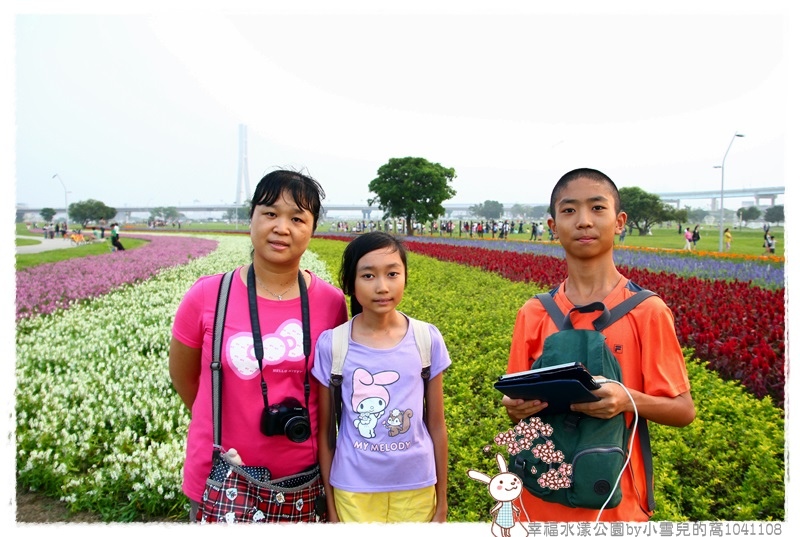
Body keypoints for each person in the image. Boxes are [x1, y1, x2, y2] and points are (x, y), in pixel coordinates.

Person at [502, 168, 695, 522]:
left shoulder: (647, 311)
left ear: (619, 221)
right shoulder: (533, 313)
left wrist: (626, 399)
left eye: (597, 208)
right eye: (569, 210)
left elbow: (683, 410)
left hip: (617, 509)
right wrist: (515, 407)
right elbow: (515, 407)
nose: (584, 221)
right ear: (552, 225)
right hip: (537, 503)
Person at [169, 169, 349, 523]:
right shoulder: (207, 296)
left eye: (297, 218)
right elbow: (185, 380)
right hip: (223, 479)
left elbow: (334, 392)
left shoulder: (330, 303)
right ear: (250, 219)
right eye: (270, 214)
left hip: (305, 481)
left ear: (312, 230)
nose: (282, 227)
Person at [312, 232, 450, 523]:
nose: (382, 287)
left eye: (392, 274)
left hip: (417, 487)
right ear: (350, 282)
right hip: (353, 490)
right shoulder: (333, 344)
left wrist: (442, 501)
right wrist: (332, 507)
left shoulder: (426, 338)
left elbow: (436, 425)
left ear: (405, 277)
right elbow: (326, 434)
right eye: (368, 276)